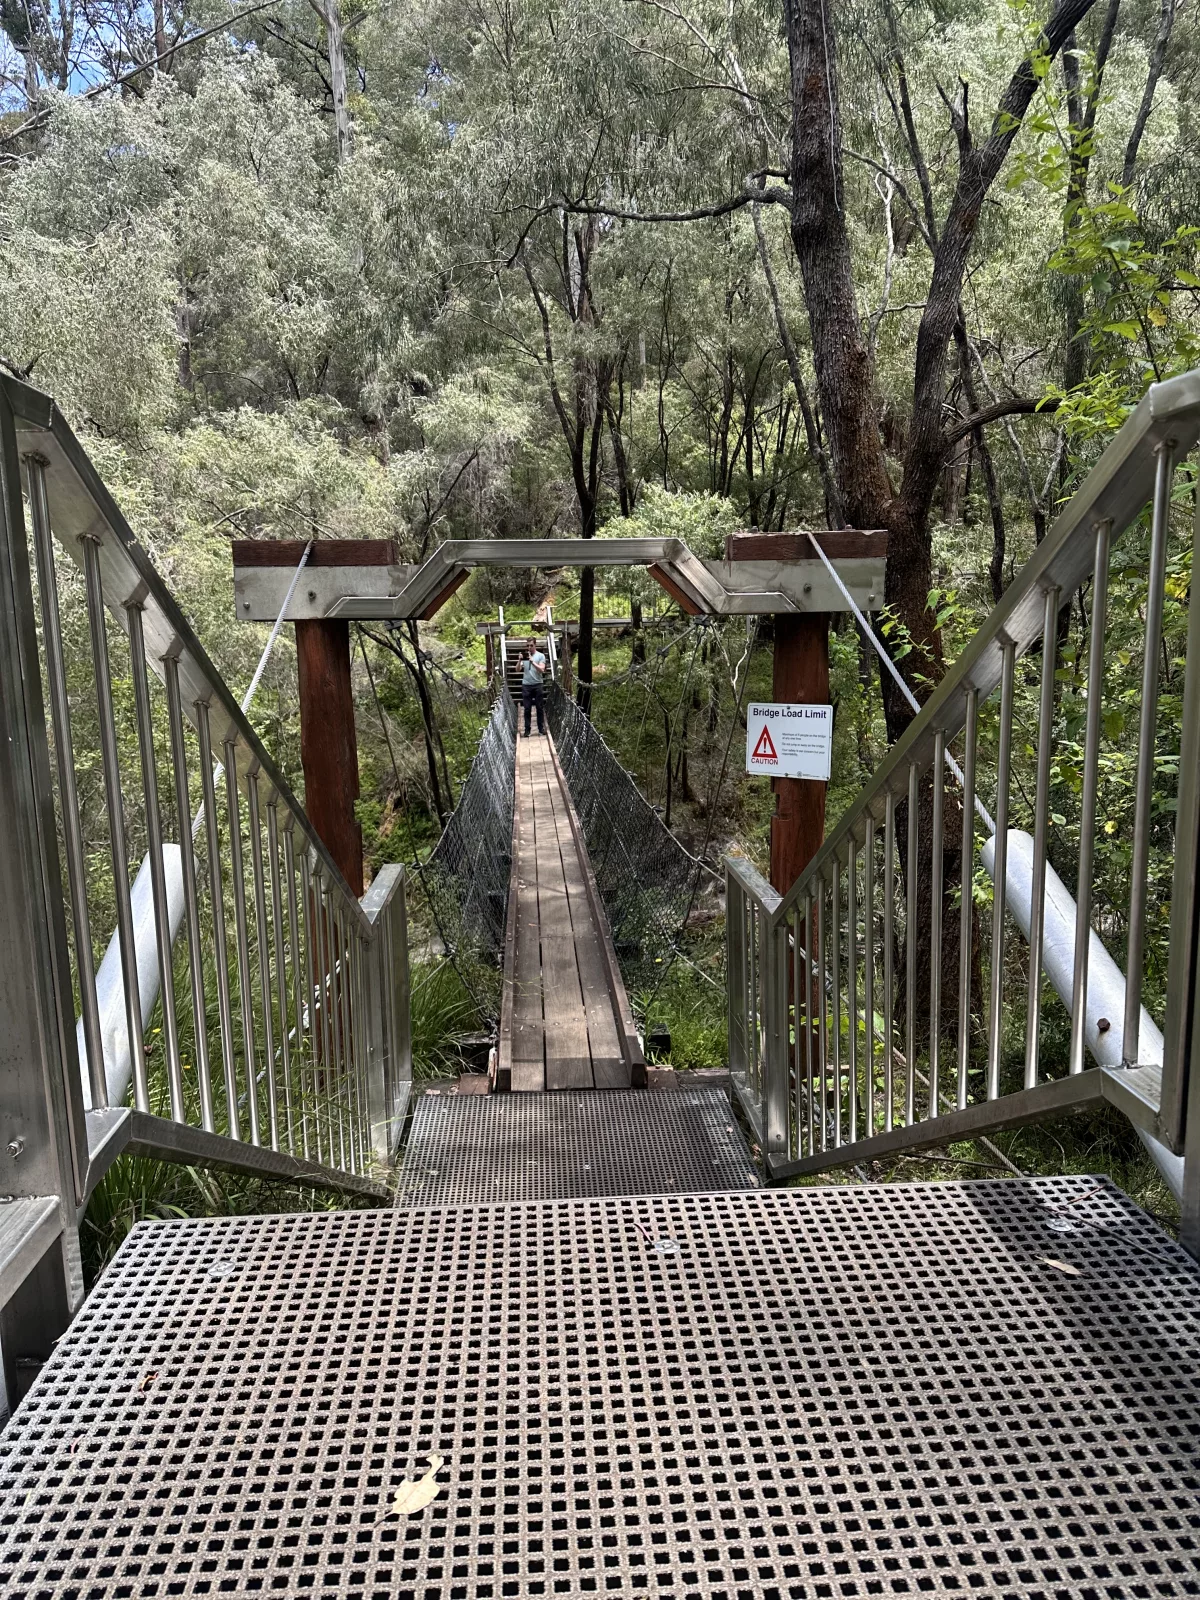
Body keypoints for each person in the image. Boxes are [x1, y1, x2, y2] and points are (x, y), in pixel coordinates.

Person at [521, 637, 546, 736]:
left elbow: (542, 669)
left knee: (539, 707)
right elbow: (517, 669)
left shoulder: (541, 656)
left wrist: (533, 662)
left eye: (531, 645)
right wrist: (519, 661)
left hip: (537, 684)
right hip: (526, 685)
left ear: (535, 645)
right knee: (527, 708)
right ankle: (527, 730)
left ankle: (541, 729)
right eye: (527, 645)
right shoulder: (525, 656)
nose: (529, 647)